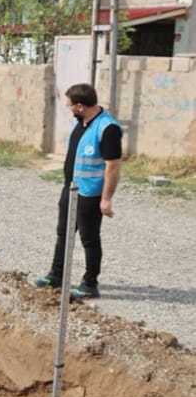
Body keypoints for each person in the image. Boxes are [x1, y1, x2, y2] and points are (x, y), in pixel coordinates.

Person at [35, 83, 122, 300]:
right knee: (63, 233)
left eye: (70, 106)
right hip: (71, 188)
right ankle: (56, 275)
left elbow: (113, 166)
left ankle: (90, 284)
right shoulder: (81, 122)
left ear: (80, 105)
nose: (69, 109)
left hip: (90, 194)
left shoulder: (107, 128)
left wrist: (106, 199)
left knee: (89, 239)